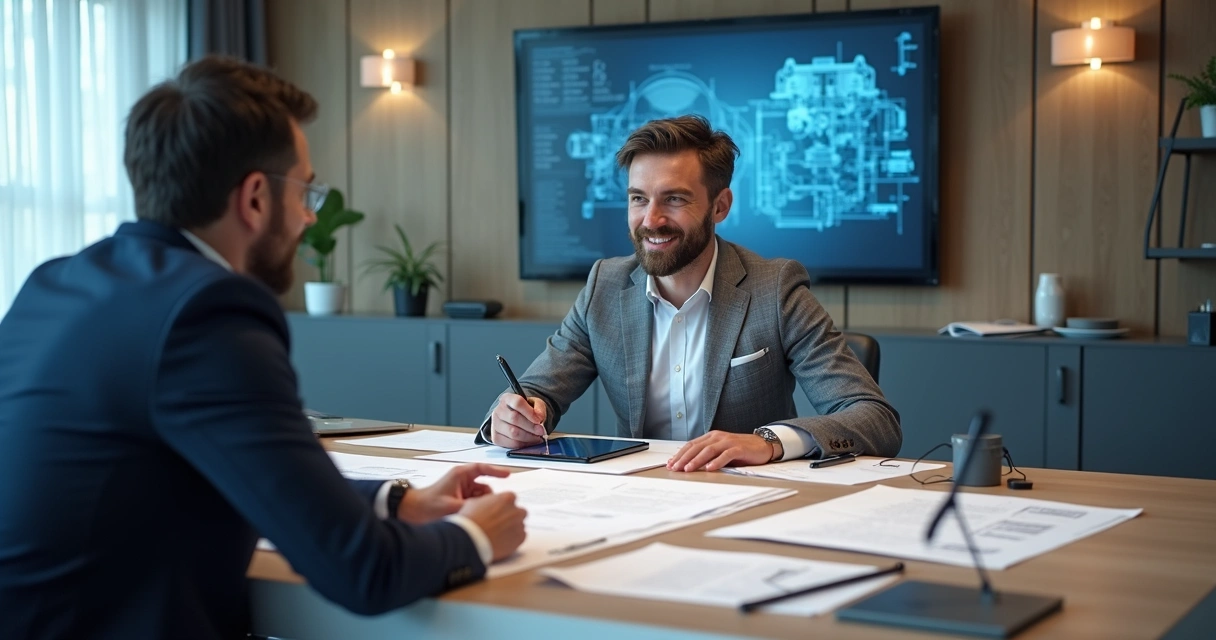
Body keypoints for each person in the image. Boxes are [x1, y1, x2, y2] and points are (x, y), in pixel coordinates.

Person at [0, 56, 526, 639]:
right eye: (306, 192)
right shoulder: (207, 312)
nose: (308, 217)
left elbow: (233, 476)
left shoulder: (53, 283)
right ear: (254, 198)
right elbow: (363, 571)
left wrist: (396, 501)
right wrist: (476, 535)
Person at [481, 115, 901, 471]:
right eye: (638, 199)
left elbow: (875, 419)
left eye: (674, 199)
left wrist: (769, 442)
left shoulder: (775, 289)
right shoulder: (604, 286)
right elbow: (535, 392)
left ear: (720, 206)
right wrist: (515, 416)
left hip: (748, 500)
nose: (651, 220)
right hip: (639, 498)